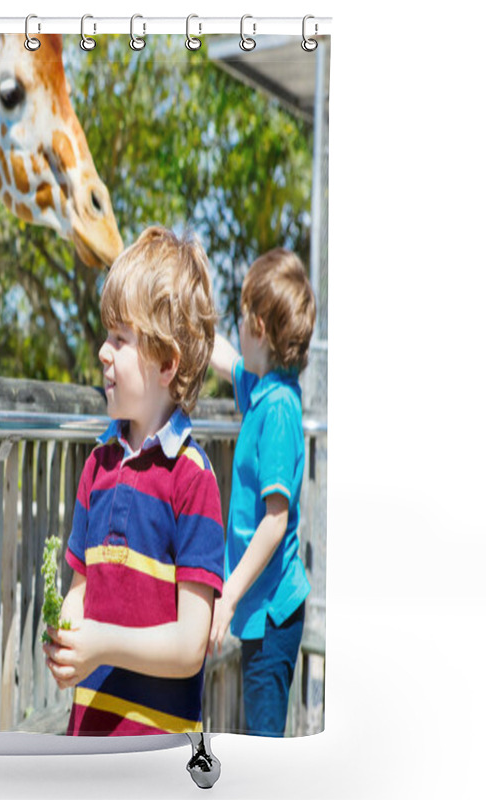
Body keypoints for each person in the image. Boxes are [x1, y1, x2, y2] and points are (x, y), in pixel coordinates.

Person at [43, 226, 225, 736]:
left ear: (167, 363)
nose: (103, 351)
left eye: (120, 339)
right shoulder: (96, 466)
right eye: (107, 335)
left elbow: (191, 646)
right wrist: (69, 643)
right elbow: (82, 590)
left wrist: (101, 642)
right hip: (88, 740)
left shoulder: (193, 481)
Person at [207, 247, 316, 737]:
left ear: (262, 332)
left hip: (270, 614)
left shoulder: (277, 412)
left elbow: (275, 520)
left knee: (266, 747)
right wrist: (190, 311)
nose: (239, 324)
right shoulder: (268, 389)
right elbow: (227, 361)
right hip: (262, 607)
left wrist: (228, 596)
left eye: (243, 315)